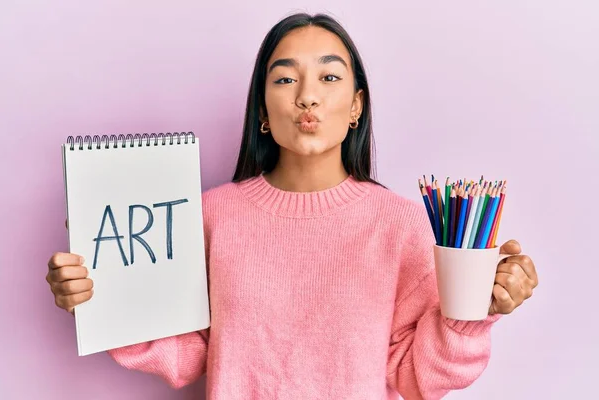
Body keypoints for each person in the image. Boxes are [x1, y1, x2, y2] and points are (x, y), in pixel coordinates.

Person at [46, 12, 539, 400]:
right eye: (284, 80)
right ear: (262, 109)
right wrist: (99, 298)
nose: (307, 97)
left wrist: (473, 308)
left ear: (356, 107)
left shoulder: (402, 225)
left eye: (329, 78)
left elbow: (418, 378)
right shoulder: (208, 217)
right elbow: (188, 355)